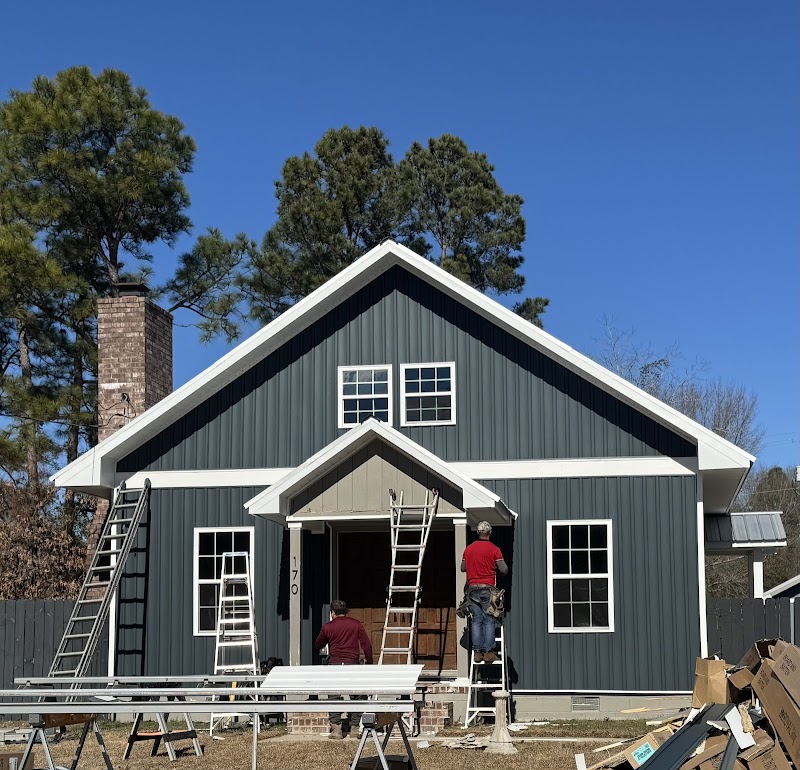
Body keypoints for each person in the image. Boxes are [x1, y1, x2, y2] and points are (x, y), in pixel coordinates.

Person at [314, 599, 373, 740]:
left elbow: (318, 644)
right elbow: (367, 646)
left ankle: (337, 729)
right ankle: (354, 727)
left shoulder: (328, 627)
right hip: (352, 664)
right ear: (345, 612)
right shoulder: (356, 624)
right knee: (358, 695)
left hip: (334, 665)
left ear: (332, 613)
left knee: (334, 696)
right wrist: (370, 662)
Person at [460, 521, 508, 663]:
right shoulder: (494, 549)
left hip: (472, 590)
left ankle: (477, 652)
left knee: (476, 620)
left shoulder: (469, 549)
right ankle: (488, 652)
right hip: (487, 589)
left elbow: (463, 568)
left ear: (478, 532)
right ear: (490, 533)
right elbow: (504, 569)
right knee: (489, 620)